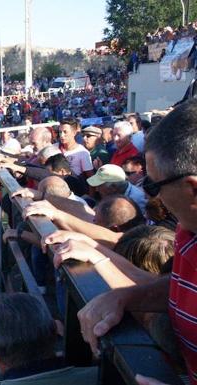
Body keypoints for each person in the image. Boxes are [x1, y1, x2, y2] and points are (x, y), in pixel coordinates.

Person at [74, 99, 197, 385]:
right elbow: (181, 286)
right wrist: (126, 297)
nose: (153, 197)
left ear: (192, 189)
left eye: (153, 185)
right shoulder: (188, 230)